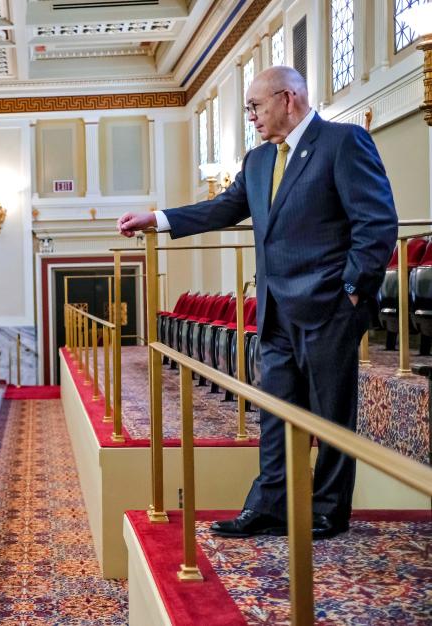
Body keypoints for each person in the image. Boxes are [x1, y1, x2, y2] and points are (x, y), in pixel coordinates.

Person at [117, 66, 396, 540]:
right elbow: (223, 208)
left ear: (288, 99)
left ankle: (328, 510)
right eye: (248, 107)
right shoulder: (259, 160)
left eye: (255, 106)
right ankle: (270, 505)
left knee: (331, 416)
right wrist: (158, 218)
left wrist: (351, 293)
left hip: (329, 308)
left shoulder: (342, 142)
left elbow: (376, 222)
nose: (251, 116)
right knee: (275, 413)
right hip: (274, 311)